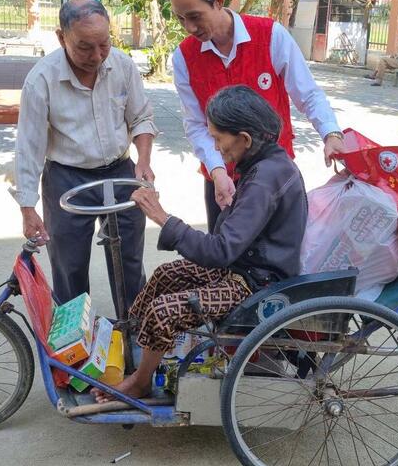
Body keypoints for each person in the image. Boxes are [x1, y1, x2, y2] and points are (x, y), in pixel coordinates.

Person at [92, 85, 307, 402]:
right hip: (243, 268)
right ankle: (135, 344)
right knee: (166, 276)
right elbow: (234, 238)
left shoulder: (265, 178)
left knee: (165, 310)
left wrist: (163, 218)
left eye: (219, 139)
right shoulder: (264, 166)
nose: (216, 148)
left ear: (245, 139)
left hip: (256, 284)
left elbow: (219, 251)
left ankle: (141, 380)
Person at [168, 0, 344, 233]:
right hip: (220, 179)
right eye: (180, 19)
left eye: (194, 16)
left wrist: (331, 134)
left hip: (274, 177)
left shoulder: (270, 36)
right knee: (225, 261)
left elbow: (307, 93)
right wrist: (217, 171)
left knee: (280, 260)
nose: (189, 27)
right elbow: (195, 124)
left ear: (218, 0)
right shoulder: (184, 57)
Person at [12, 0, 158, 307]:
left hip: (120, 173)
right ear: (61, 37)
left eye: (103, 44)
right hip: (67, 178)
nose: (96, 56)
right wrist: (28, 207)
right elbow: (29, 146)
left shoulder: (121, 65)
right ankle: (75, 346)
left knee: (129, 260)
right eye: (84, 47)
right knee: (69, 266)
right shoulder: (42, 79)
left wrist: (143, 160)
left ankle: (137, 335)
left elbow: (141, 118)